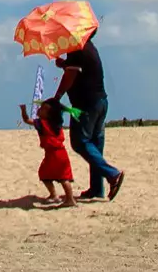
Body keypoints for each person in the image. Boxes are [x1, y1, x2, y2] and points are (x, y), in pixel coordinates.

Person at [53, 31, 125, 200]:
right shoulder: (89, 47)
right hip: (100, 101)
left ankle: (112, 174)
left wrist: (57, 97)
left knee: (80, 142)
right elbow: (80, 69)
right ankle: (96, 189)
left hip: (86, 104)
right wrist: (64, 64)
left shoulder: (76, 49)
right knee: (95, 144)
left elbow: (71, 75)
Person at [19, 100, 75, 205]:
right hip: (62, 154)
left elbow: (27, 120)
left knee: (46, 174)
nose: (39, 110)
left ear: (48, 113)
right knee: (63, 177)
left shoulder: (42, 123)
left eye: (42, 109)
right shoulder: (57, 124)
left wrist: (23, 110)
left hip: (53, 154)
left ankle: (58, 196)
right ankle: (68, 198)